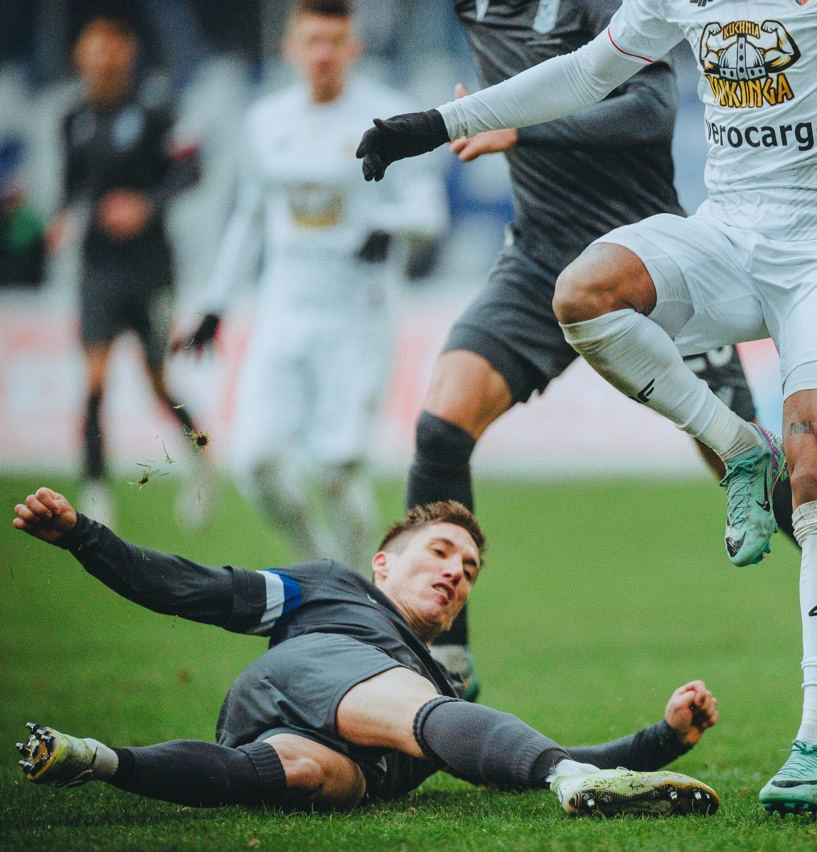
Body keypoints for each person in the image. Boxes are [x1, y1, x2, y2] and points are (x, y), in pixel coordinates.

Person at [357, 0, 817, 818]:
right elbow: (588, 71)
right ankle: (737, 447)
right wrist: (434, 124)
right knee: (580, 298)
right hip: (723, 236)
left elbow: (638, 103)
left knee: (813, 473)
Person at [11, 486, 720, 816]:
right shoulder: (330, 587)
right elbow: (193, 588)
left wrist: (664, 738)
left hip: (307, 746)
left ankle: (94, 760)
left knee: (315, 776)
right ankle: (568, 783)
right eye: (439, 551)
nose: (455, 572)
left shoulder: (442, 691)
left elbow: (511, 764)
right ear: (383, 564)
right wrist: (83, 537)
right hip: (305, 675)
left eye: (469, 570)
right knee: (423, 707)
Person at [177, 0, 448, 568]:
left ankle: (358, 589)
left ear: (355, 48)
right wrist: (215, 304)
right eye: (313, 41)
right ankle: (320, 559)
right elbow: (250, 217)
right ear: (291, 48)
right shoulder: (266, 121)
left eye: (335, 41)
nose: (324, 54)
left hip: (358, 317)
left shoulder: (388, 118)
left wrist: (387, 224)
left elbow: (429, 211)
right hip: (283, 313)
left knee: (335, 470)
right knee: (254, 461)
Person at [52, 13, 207, 528]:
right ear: (80, 55)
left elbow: (192, 169)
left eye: (111, 46)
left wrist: (147, 205)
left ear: (128, 51)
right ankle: (95, 488)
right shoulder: (73, 118)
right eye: (93, 47)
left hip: (150, 268)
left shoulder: (156, 110)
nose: (102, 57)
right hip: (98, 267)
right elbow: (73, 185)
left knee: (157, 382)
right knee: (94, 379)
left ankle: (202, 457)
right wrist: (61, 216)